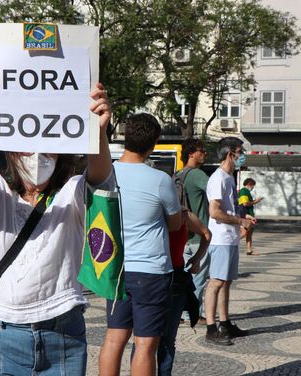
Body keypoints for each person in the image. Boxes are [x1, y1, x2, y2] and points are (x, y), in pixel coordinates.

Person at [0, 79, 113, 375]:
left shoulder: (73, 192)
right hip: (0, 336)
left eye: (49, 149)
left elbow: (100, 183)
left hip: (62, 337)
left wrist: (97, 132)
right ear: (11, 151)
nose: (37, 156)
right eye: (25, 147)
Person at [99, 113, 182, 376]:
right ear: (154, 142)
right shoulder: (160, 180)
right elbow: (175, 224)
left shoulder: (106, 173)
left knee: (114, 339)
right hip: (151, 271)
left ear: (125, 137)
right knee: (145, 345)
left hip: (116, 269)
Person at [204, 137, 255, 346]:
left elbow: (229, 208)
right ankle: (210, 328)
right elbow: (214, 212)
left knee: (226, 281)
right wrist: (240, 220)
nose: (243, 154)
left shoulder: (230, 177)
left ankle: (225, 323)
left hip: (230, 237)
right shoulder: (219, 179)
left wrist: (243, 218)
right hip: (220, 238)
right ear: (230, 154)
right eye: (240, 151)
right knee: (216, 282)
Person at [158, 203, 211, 375]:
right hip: (168, 280)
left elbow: (206, 234)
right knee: (162, 340)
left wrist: (196, 259)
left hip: (171, 280)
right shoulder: (181, 213)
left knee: (149, 340)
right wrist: (196, 259)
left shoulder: (182, 213)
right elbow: (206, 234)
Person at [177, 138, 210, 323]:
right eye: (201, 150)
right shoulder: (198, 175)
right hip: (199, 235)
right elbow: (215, 194)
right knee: (198, 278)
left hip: (182, 235)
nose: (204, 153)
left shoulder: (177, 175)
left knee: (182, 277)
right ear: (191, 153)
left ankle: (180, 312)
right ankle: (193, 313)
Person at [238, 178, 262, 255]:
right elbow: (245, 203)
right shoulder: (244, 191)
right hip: (245, 215)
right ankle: (230, 242)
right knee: (244, 233)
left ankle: (249, 250)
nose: (253, 188)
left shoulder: (246, 191)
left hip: (249, 215)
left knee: (249, 233)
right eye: (253, 186)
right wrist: (255, 201)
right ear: (249, 184)